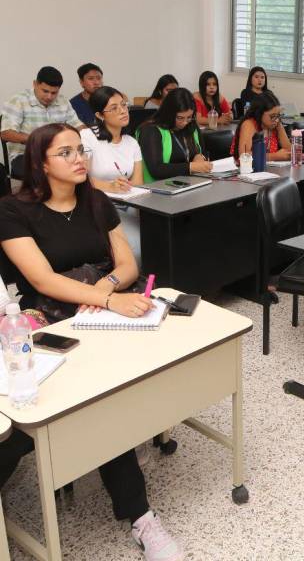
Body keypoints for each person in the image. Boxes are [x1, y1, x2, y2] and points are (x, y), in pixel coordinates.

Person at [0, 123, 184, 561]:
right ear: (40, 164)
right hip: (48, 322)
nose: (80, 158)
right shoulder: (12, 210)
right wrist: (107, 297)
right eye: (65, 153)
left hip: (101, 311)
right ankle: (141, 515)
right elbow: (41, 279)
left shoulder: (96, 201)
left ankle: (139, 516)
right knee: (35, 423)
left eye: (80, 150)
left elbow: (127, 263)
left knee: (106, 403)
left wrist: (107, 291)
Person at [81, 86, 145, 261]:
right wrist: (109, 186)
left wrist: (128, 187)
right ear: (100, 115)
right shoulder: (87, 137)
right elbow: (80, 178)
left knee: (157, 236)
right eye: (114, 108)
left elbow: (138, 184)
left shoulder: (131, 142)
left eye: (124, 105)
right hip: (97, 205)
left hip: (127, 205)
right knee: (135, 247)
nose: (123, 111)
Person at [1, 67, 84, 176]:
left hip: (59, 153)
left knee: (84, 165)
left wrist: (90, 135)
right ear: (35, 84)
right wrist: (37, 139)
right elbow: (6, 133)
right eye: (45, 91)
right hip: (26, 155)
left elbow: (78, 126)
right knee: (48, 172)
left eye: (54, 93)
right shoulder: (19, 100)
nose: (49, 97)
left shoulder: (63, 101)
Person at [138, 88, 212, 182]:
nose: (185, 122)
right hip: (159, 188)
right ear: (169, 113)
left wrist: (200, 157)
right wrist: (191, 167)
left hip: (189, 183)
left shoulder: (191, 125)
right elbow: (156, 169)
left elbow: (204, 151)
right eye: (179, 118)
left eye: (189, 117)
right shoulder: (151, 130)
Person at [230, 93, 291, 162]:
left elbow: (289, 151)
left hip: (268, 169)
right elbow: (244, 156)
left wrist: (280, 127)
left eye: (278, 115)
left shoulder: (276, 123)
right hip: (248, 170)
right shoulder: (249, 124)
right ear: (259, 113)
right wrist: (274, 156)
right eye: (272, 116)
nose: (276, 120)